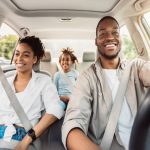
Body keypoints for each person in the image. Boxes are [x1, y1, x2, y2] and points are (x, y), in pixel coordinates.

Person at [62, 16, 150, 150]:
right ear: (96, 41)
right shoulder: (86, 78)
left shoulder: (136, 67)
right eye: (103, 34)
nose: (110, 37)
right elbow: (73, 123)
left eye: (115, 33)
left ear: (120, 39)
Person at [0, 36, 64, 150]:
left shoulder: (44, 81)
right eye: (17, 53)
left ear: (34, 59)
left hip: (21, 138)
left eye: (26, 55)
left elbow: (56, 109)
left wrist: (26, 140)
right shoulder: (5, 81)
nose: (19, 58)